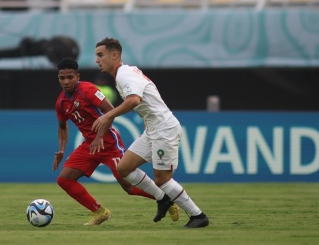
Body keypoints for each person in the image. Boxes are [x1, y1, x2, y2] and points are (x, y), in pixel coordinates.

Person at [92, 37, 210, 228]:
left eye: (100, 55)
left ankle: (198, 216)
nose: (97, 60)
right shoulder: (126, 73)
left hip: (164, 129)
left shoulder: (124, 75)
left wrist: (108, 116)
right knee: (123, 168)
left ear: (114, 56)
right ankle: (163, 199)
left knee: (162, 179)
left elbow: (134, 101)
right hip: (153, 129)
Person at [53, 58, 180, 225]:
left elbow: (110, 111)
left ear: (78, 76)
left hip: (108, 142)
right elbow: (62, 127)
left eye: (70, 77)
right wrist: (62, 150)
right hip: (90, 145)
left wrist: (99, 136)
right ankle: (99, 211)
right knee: (64, 179)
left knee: (129, 187)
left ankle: (167, 199)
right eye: (62, 78)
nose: (66, 81)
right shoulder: (61, 102)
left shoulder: (88, 89)